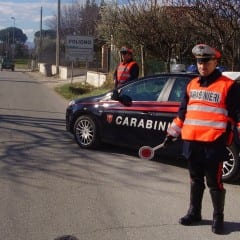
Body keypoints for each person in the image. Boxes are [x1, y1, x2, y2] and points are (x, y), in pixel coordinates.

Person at [165, 44, 240, 234]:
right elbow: (182, 114)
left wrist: (232, 137)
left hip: (214, 143)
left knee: (214, 183)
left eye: (206, 61)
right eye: (199, 61)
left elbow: (235, 116)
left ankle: (218, 217)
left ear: (215, 61)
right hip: (191, 142)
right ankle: (194, 213)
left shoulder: (229, 86)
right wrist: (172, 133)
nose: (202, 65)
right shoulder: (191, 85)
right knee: (195, 180)